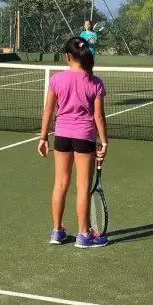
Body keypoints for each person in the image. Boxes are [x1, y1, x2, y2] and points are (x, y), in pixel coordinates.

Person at [38, 37, 109, 248]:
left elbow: (48, 111)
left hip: (61, 136)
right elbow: (99, 117)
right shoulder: (95, 82)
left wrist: (43, 137)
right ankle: (83, 235)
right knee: (83, 186)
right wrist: (104, 142)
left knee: (60, 183)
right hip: (84, 137)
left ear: (68, 56)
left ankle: (57, 231)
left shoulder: (57, 79)